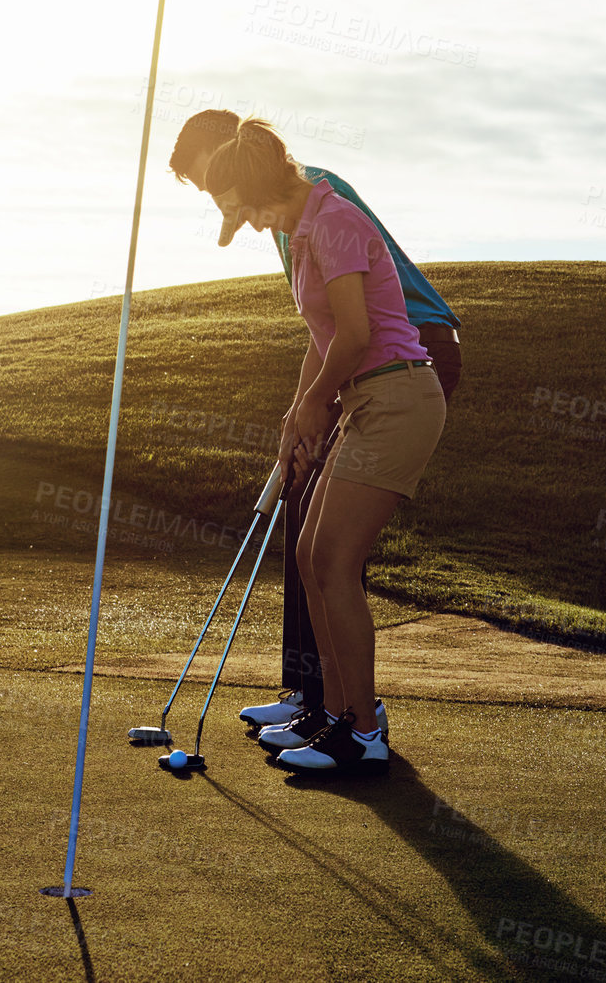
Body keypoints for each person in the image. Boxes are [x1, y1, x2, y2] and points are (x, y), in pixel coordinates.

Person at [169, 109, 461, 749]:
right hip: (362, 386)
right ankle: (327, 710)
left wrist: (313, 405)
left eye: (239, 207)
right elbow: (324, 333)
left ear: (251, 175)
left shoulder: (325, 217)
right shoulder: (299, 229)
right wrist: (298, 410)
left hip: (400, 376)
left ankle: (359, 727)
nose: (244, 224)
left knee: (333, 560)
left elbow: (356, 333)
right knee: (310, 554)